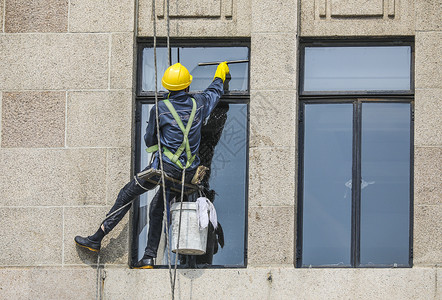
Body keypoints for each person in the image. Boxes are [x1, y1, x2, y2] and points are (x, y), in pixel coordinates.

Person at [74, 62, 230, 269]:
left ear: (168, 88)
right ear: (187, 86)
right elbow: (214, 93)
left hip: (165, 169)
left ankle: (97, 238)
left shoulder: (160, 109)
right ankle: (148, 257)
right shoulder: (199, 104)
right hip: (188, 174)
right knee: (157, 208)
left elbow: (149, 140)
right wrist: (220, 74)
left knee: (126, 194)